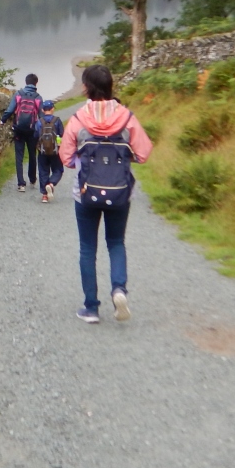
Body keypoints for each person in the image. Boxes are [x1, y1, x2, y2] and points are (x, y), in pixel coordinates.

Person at [59, 64, 152, 324]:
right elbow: (143, 153)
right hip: (120, 193)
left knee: (88, 248)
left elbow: (66, 158)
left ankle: (91, 308)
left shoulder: (78, 118)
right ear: (111, 85)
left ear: (86, 87)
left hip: (85, 192)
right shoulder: (126, 117)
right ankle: (119, 290)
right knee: (116, 243)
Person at [0, 73, 42, 191]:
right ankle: (32, 179)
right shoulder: (37, 97)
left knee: (19, 156)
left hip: (18, 129)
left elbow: (10, 110)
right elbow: (41, 115)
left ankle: (21, 184)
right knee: (32, 155)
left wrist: (2, 120)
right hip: (32, 130)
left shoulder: (18, 94)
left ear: (26, 82)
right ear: (36, 83)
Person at [36, 99, 64, 203]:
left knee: (43, 171)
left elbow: (35, 135)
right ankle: (51, 184)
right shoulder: (57, 120)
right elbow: (62, 134)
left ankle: (44, 195)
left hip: (42, 151)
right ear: (52, 109)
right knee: (58, 169)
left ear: (43, 110)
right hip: (55, 150)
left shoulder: (39, 121)